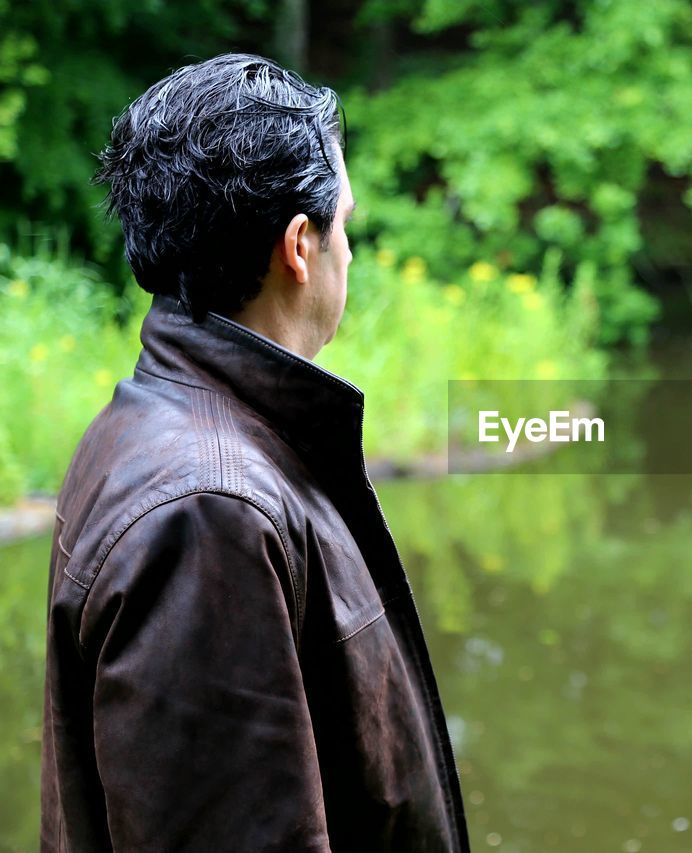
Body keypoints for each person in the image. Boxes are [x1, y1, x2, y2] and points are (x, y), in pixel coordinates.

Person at [39, 53, 469, 852]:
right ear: (300, 247)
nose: (351, 252)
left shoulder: (164, 426)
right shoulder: (208, 510)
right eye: (347, 224)